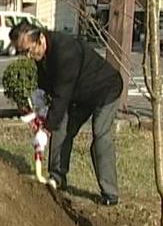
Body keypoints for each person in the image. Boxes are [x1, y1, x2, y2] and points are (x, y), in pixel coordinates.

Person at [9, 21, 123, 206]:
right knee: (61, 129)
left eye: (29, 50)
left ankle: (110, 193)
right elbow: (49, 84)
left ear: (40, 39)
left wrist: (45, 130)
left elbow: (61, 96)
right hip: (79, 94)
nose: (28, 56)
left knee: (100, 134)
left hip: (104, 89)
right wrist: (40, 98)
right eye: (23, 52)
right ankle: (57, 177)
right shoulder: (42, 54)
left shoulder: (66, 51)